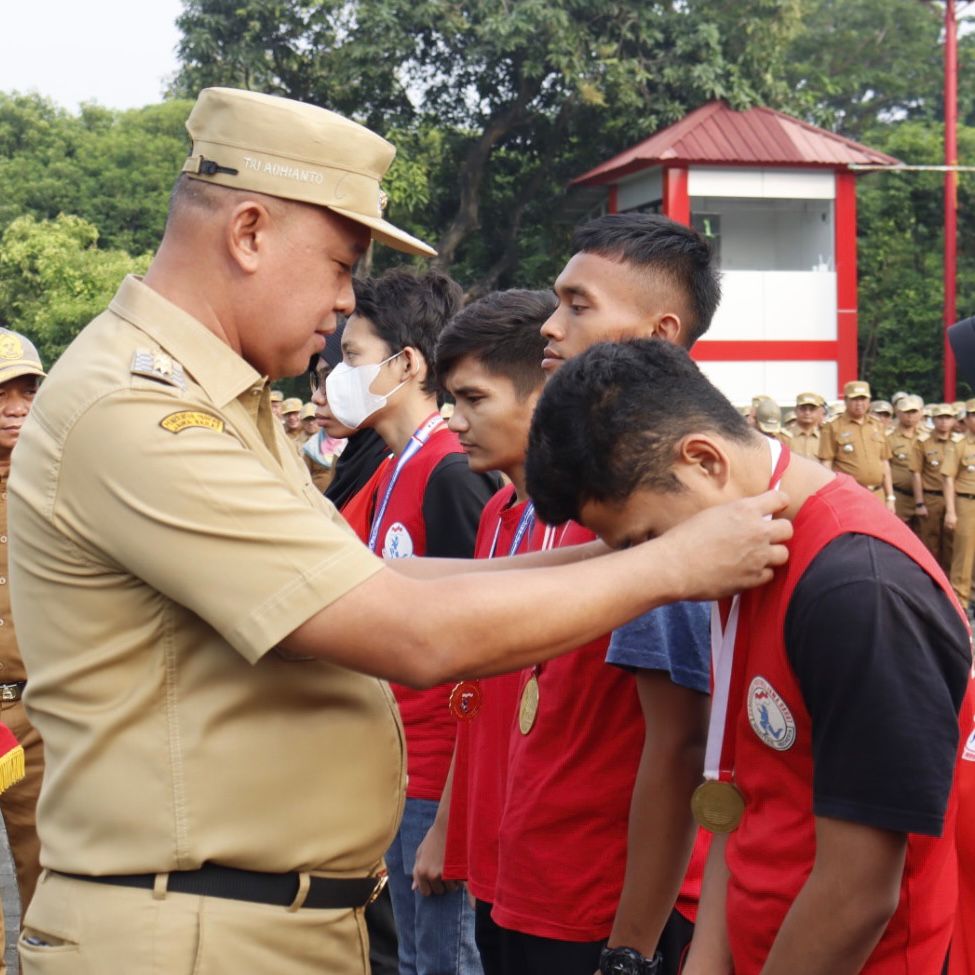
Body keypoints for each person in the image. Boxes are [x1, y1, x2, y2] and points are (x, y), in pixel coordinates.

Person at [7, 87, 789, 975]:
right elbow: (407, 632)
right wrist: (675, 564)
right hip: (193, 930)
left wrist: (619, 549)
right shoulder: (138, 413)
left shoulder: (220, 405)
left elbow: (390, 582)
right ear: (250, 232)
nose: (345, 302)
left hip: (244, 917)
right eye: (341, 264)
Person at [525, 338, 973, 975]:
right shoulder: (749, 555)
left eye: (650, 539)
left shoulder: (858, 591)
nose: (656, 568)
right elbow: (741, 804)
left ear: (704, 461)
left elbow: (860, 890)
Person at [541, 212, 720, 974]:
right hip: (555, 881)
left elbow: (677, 744)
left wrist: (630, 946)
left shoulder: (674, 493)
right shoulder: (598, 472)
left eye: (577, 306)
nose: (548, 328)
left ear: (658, 332)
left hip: (619, 908)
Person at [326, 266, 497, 975]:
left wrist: (454, 816)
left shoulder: (449, 471)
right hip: (398, 768)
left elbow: (479, 645)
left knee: (444, 959)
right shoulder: (396, 468)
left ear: (407, 363)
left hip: (437, 774)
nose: (339, 373)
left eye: (354, 356)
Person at [434, 289, 556, 972]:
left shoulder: (593, 525)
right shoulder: (499, 512)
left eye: (473, 399)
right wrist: (453, 831)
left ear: (541, 396)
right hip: (498, 851)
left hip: (560, 871)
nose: (454, 421)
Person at [0, 328, 45, 974]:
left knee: (52, 878)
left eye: (27, 390)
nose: (14, 407)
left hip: (43, 715)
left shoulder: (63, 482)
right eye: (0, 393)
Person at [818, 380, 895, 510]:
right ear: (846, 401)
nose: (859, 404)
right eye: (854, 399)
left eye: (863, 399)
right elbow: (827, 464)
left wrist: (890, 497)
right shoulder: (833, 426)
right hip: (849, 494)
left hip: (877, 494)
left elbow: (884, 462)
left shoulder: (877, 425)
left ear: (869, 400)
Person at [912, 403, 959, 571]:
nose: (944, 422)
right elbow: (916, 473)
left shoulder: (959, 442)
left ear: (954, 420)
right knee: (929, 543)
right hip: (931, 497)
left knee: (952, 543)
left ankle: (950, 584)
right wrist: (919, 503)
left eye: (948, 418)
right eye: (940, 418)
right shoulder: (923, 442)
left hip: (954, 499)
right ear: (933, 419)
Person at [888, 393, 927, 523]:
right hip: (900, 496)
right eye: (905, 412)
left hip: (926, 497)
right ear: (898, 413)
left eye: (913, 412)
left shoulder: (929, 437)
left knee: (926, 539)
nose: (909, 416)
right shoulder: (888, 437)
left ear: (921, 413)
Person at [786, 392, 824, 460]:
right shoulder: (785, 436)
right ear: (795, 410)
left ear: (818, 412)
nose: (807, 412)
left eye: (812, 409)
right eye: (803, 408)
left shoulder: (824, 437)